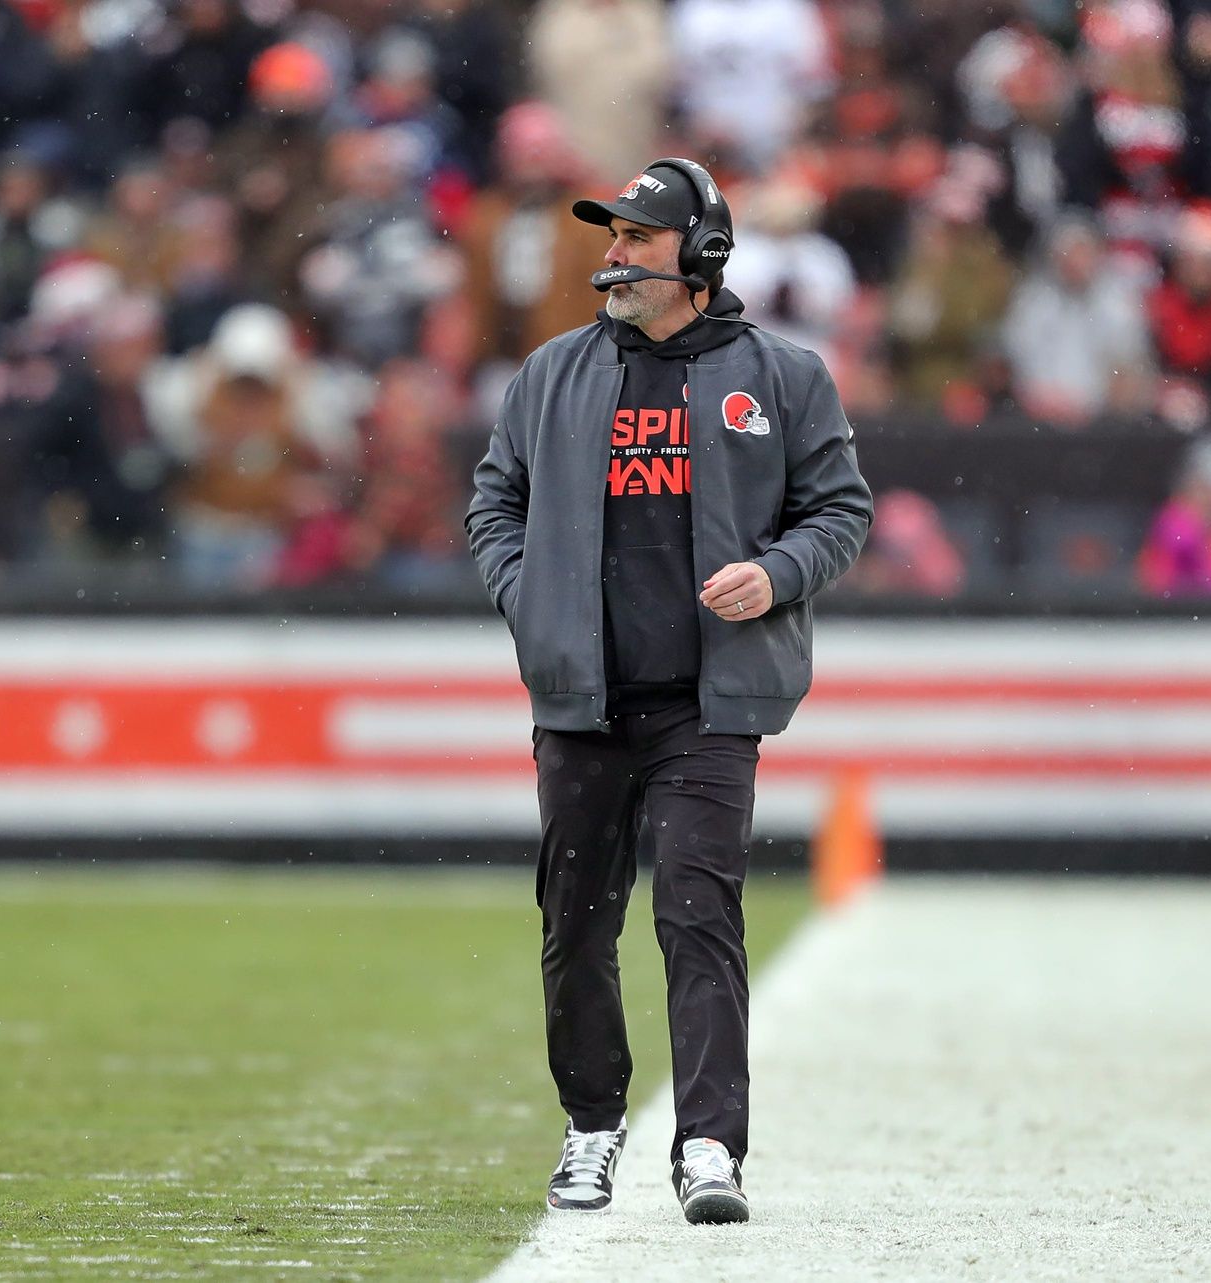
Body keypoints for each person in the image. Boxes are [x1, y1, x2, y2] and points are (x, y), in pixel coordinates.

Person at [466, 157, 873, 1225]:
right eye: (613, 237)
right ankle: (593, 1124)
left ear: (699, 255)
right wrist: (531, 599)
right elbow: (492, 503)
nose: (613, 255)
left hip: (708, 701)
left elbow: (840, 510)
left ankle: (707, 1144)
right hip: (583, 700)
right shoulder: (553, 372)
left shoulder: (784, 376)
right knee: (575, 927)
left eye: (636, 239)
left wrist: (777, 573)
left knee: (700, 915)